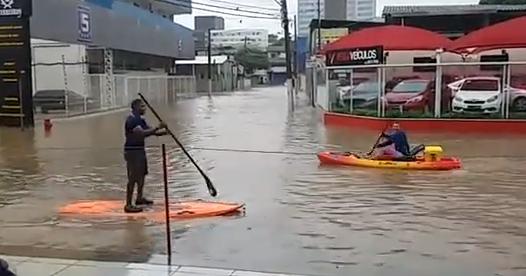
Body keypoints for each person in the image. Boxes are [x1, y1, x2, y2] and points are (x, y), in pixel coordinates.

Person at [124, 98, 168, 213]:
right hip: (132, 151)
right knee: (133, 177)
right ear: (135, 108)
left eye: (145, 106)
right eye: (142, 107)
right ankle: (128, 205)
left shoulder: (140, 120)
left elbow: (149, 130)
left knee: (142, 174)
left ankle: (139, 198)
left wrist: (162, 132)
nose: (144, 109)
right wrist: (158, 127)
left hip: (140, 150)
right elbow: (141, 134)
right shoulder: (132, 120)